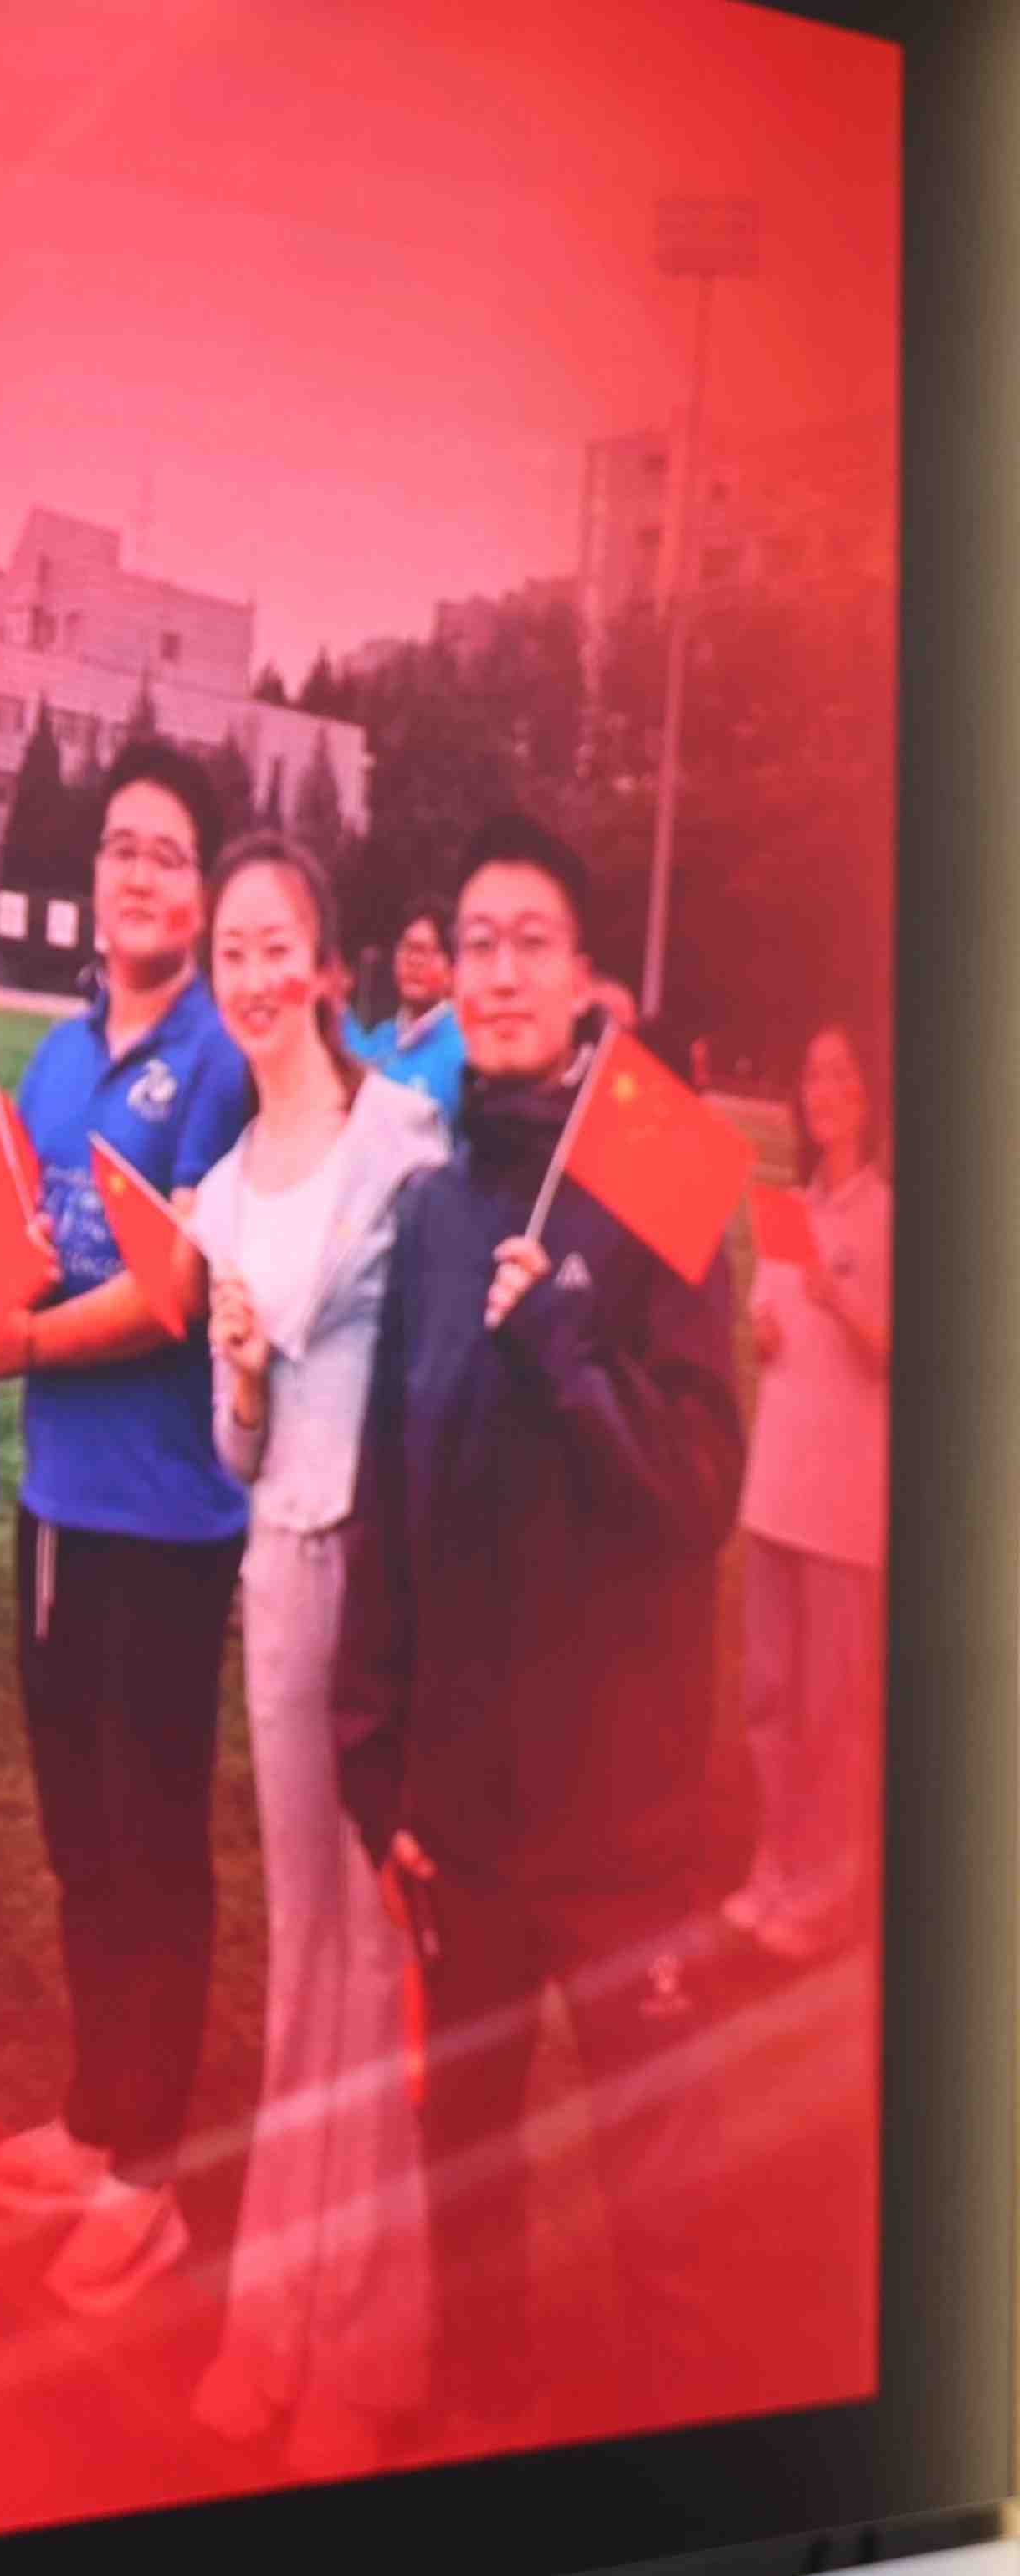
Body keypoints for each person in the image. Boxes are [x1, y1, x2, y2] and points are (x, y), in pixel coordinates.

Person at [334, 814, 747, 2430]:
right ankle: (477, 2447)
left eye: (532, 945)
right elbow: (391, 1496)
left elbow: (697, 1495)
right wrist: (378, 1761)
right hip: (465, 1825)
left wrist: (570, 1351)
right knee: (471, 2187)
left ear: (586, 983)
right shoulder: (437, 1210)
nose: (499, 973)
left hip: (624, 1829)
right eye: (477, 944)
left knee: (667, 2233)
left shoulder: (657, 1177)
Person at [0, 738, 250, 2317]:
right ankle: (94, 2115)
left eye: (168, 854)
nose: (139, 873)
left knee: (152, 1846)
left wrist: (23, 1343)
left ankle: (151, 2175)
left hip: (166, 1519)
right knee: (82, 1833)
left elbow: (173, 1292)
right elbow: (13, 1235)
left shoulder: (215, 1063)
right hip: (58, 1503)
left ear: (202, 894)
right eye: (121, 848)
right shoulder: (63, 1058)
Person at [182, 835, 443, 2476]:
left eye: (280, 945)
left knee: (374, 1955)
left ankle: (367, 2342)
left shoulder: (402, 1141)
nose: (259, 975)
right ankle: (271, 2318)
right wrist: (239, 1382)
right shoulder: (218, 1193)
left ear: (328, 963)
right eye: (234, 951)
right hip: (281, 1574)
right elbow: (234, 1450)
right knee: (301, 1955)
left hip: (392, 1581)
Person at [728, 1016, 890, 1962]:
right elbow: (769, 1329)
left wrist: (844, 1301)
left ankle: (828, 1891)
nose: (823, 1092)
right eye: (812, 1076)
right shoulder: (785, 1211)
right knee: (769, 1698)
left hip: (842, 1508)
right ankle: (776, 1866)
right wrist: (769, 1333)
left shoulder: (889, 1217)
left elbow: (893, 1354)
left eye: (840, 1075)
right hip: (775, 1491)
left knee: (833, 1709)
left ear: (869, 1095)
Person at [349, 910, 463, 1122]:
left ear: (454, 969)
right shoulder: (382, 1037)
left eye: (429, 951)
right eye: (408, 947)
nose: (415, 960)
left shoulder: (463, 1051)